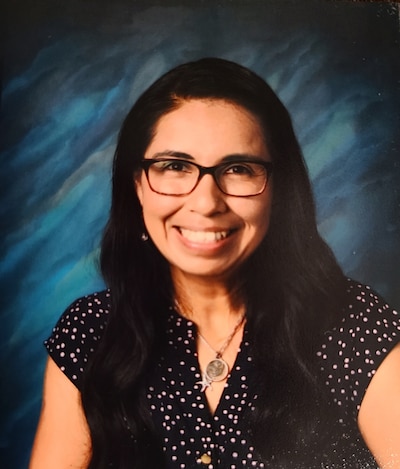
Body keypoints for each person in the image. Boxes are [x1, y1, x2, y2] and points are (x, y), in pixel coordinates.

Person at [29, 58, 400, 469]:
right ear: (137, 186)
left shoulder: (355, 325)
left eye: (238, 169)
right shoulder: (90, 333)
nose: (206, 203)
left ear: (278, 190)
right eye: (174, 166)